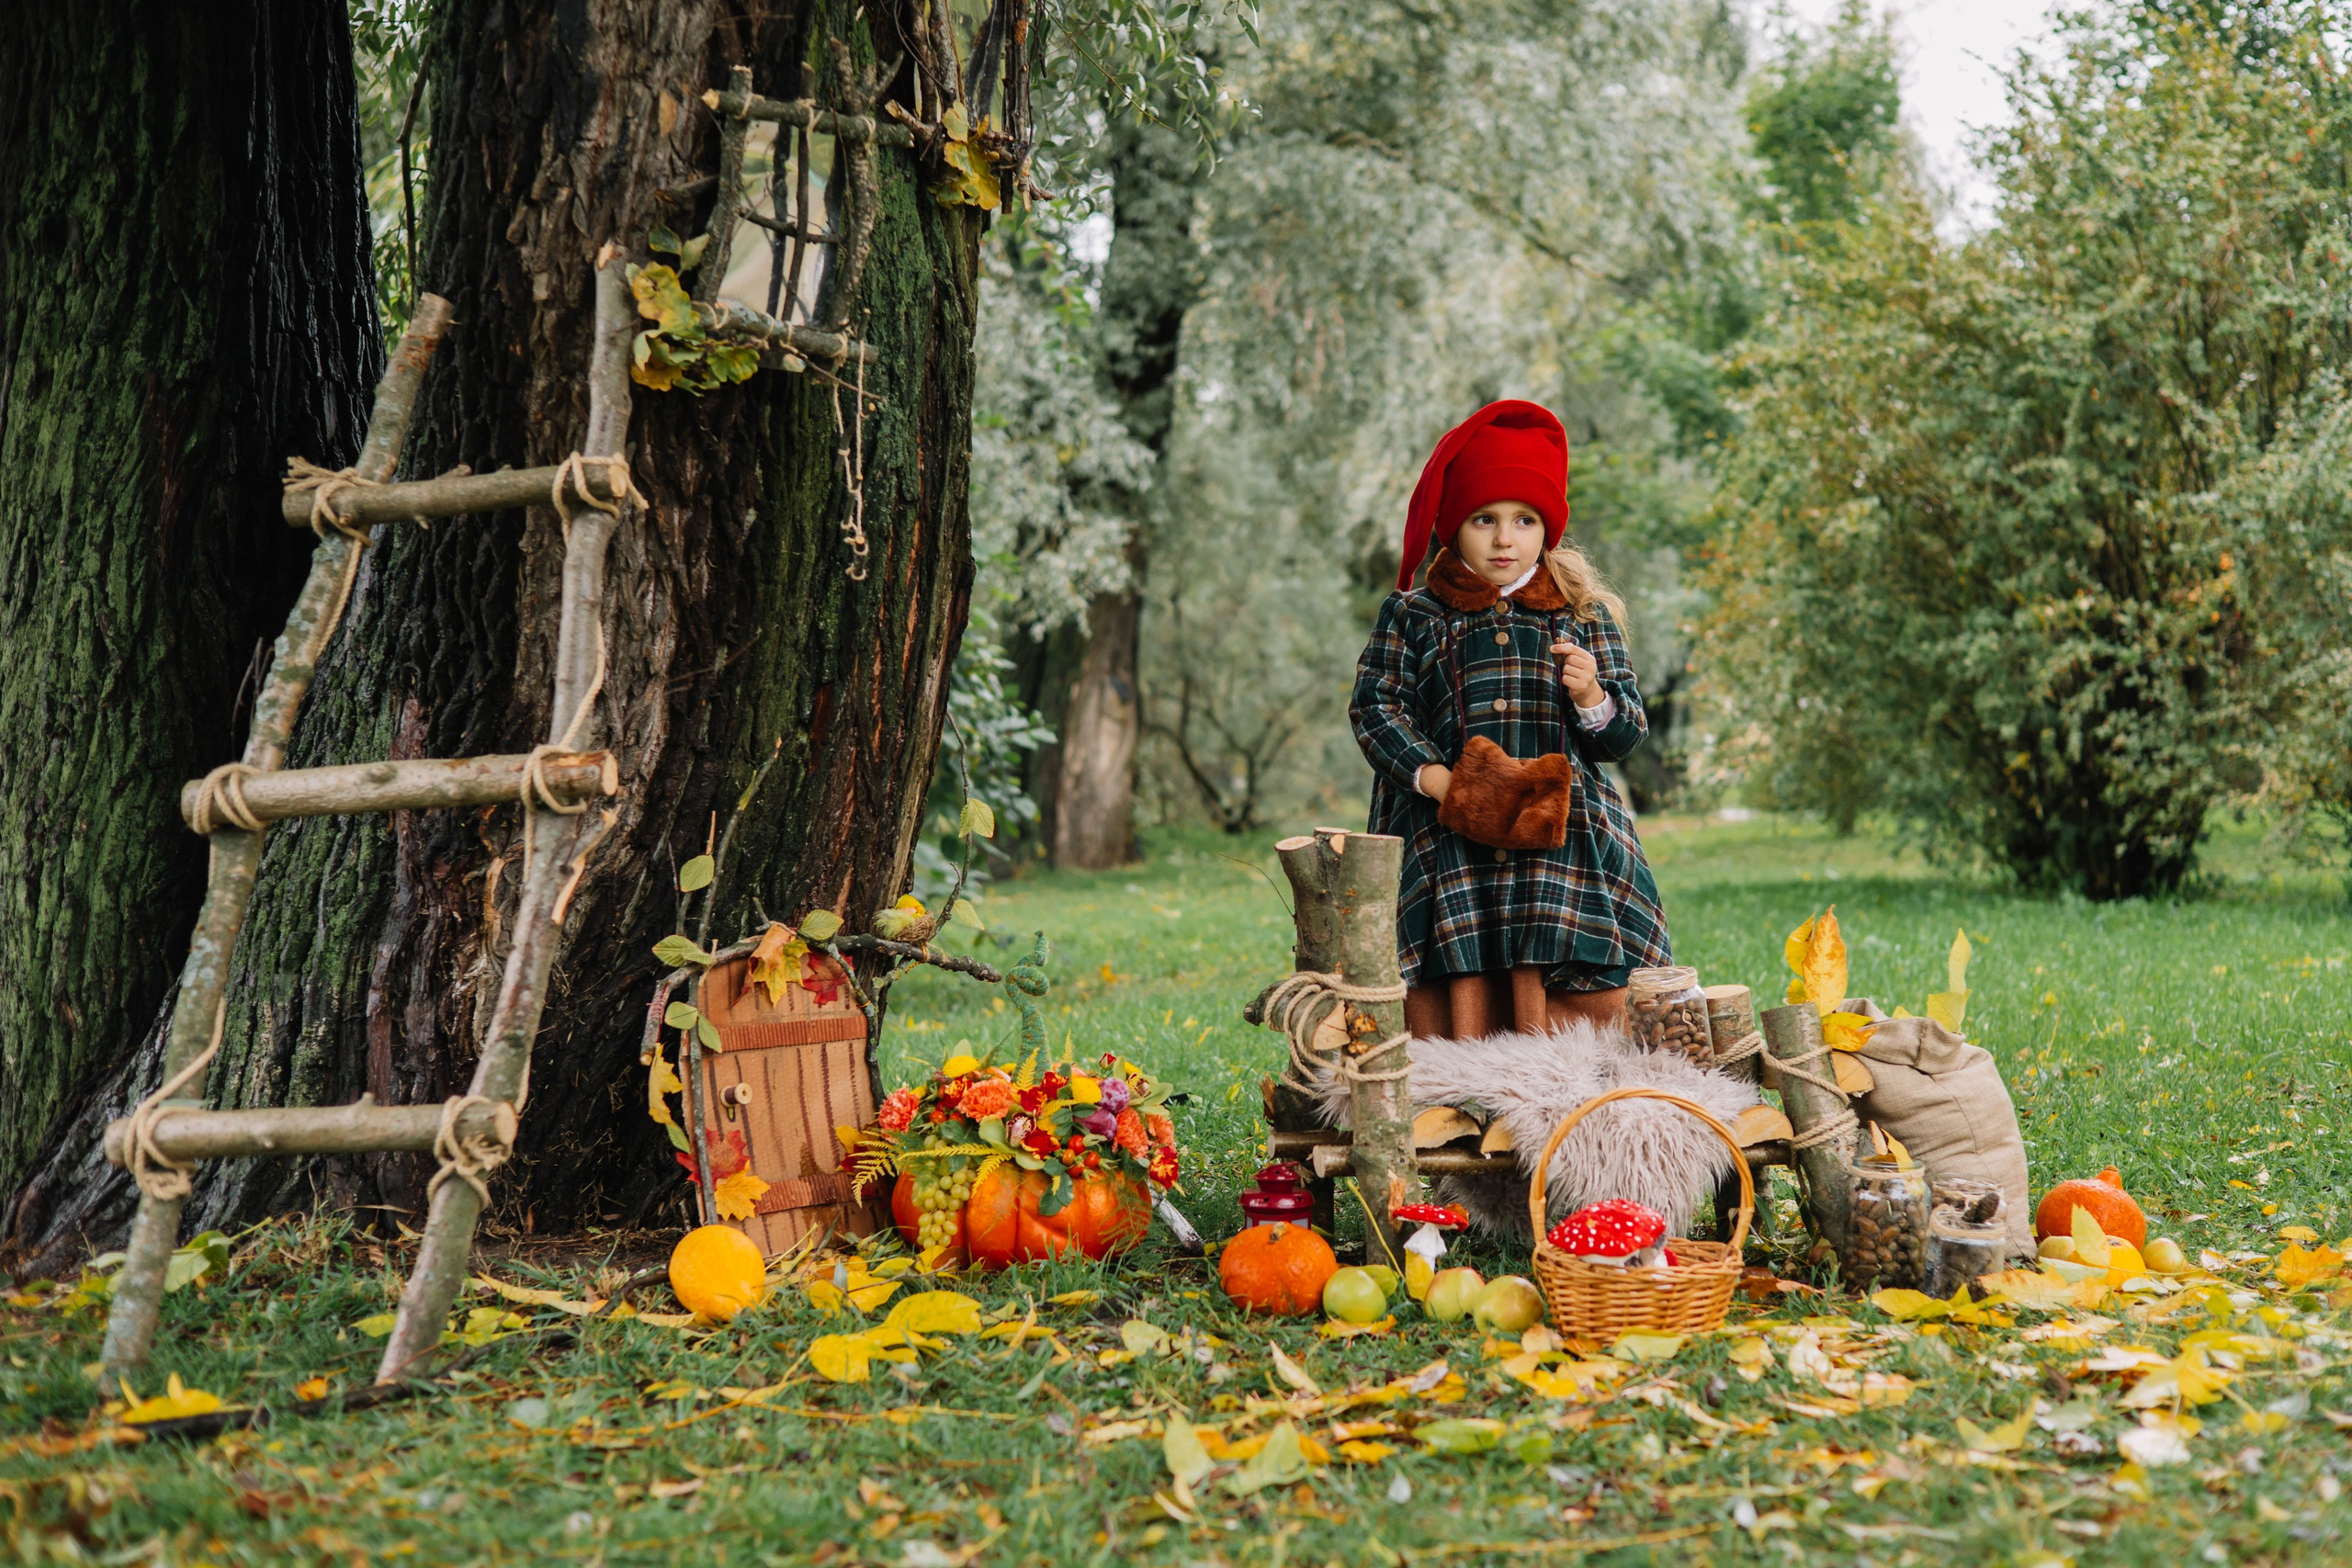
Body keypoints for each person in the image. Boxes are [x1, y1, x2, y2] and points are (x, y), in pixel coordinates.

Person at [1350, 400, 1669, 1040]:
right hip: (1445, 837)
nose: (1504, 539)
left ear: (1546, 528)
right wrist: (1440, 783)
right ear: (1453, 526)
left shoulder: (1582, 615)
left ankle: (1575, 1063)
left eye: (1524, 520)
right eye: (1484, 519)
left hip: (1566, 842)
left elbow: (1625, 732)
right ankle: (1457, 1064)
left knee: (1559, 939)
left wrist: (1592, 695)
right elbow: (1376, 707)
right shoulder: (1414, 615)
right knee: (1456, 948)